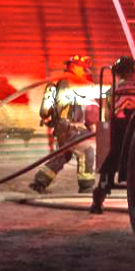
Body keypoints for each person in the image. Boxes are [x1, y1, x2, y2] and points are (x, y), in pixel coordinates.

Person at [30, 55, 99, 195]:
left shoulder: (59, 83)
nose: (85, 71)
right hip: (73, 128)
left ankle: (39, 182)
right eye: (82, 68)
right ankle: (86, 188)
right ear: (73, 66)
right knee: (86, 151)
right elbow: (88, 109)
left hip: (62, 128)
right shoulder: (74, 83)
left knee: (63, 155)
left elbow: (45, 112)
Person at [90, 56, 135, 213]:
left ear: (118, 73)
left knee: (107, 166)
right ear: (133, 71)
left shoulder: (113, 91)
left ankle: (97, 202)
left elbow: (109, 114)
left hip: (120, 134)